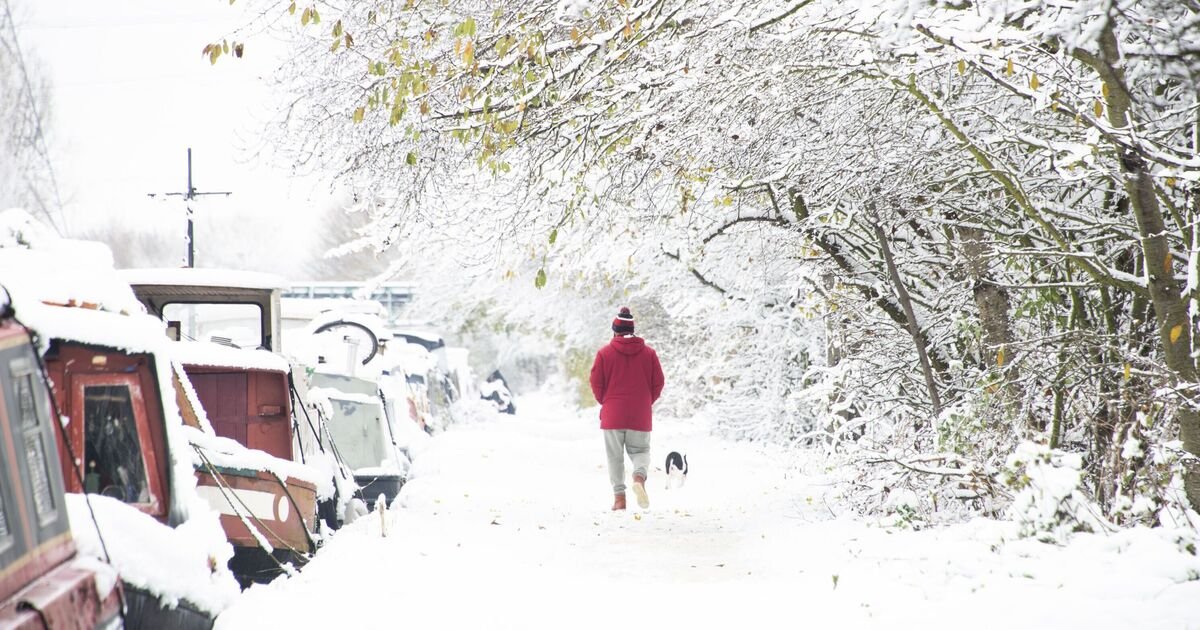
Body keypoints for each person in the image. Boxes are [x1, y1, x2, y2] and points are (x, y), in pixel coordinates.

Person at [589, 306, 665, 511]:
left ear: (614, 330)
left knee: (614, 456)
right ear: (633, 329)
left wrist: (606, 402)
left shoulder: (604, 354)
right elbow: (658, 383)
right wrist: (645, 402)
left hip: (613, 415)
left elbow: (596, 383)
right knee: (641, 450)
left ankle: (619, 498)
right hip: (640, 414)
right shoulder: (649, 354)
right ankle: (639, 477)